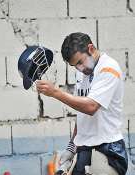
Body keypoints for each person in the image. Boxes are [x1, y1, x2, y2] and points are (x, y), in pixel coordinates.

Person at [36, 32, 128, 175]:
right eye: (75, 66)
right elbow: (83, 115)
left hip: (108, 149)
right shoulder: (83, 73)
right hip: (85, 148)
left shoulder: (109, 68)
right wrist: (71, 148)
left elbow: (90, 107)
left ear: (91, 49)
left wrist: (56, 92)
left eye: (80, 62)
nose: (79, 68)